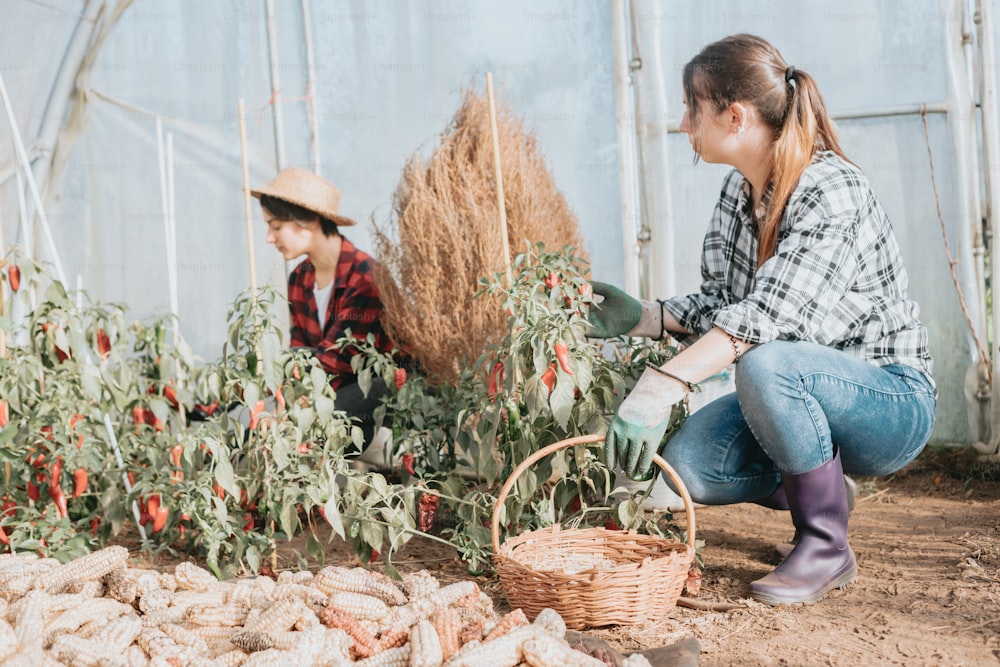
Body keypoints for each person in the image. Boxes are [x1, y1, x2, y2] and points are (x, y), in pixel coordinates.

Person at [589, 34, 937, 606]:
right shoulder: (738, 193)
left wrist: (661, 384)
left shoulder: (832, 189)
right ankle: (823, 490)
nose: (682, 125)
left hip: (889, 400)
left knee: (767, 361)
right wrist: (646, 317)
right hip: (797, 396)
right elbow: (726, 304)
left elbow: (762, 320)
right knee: (684, 469)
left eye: (690, 109)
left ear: (735, 116)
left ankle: (825, 543)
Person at [251, 167, 395, 448]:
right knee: (262, 433)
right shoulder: (300, 278)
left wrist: (288, 387)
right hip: (332, 388)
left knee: (330, 416)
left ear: (310, 220)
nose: (269, 237)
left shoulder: (365, 276)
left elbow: (341, 359)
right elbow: (300, 347)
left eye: (276, 226)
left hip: (379, 385)